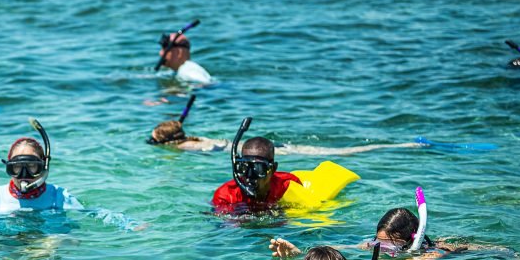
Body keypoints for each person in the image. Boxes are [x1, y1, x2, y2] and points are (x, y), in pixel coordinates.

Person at [269, 206, 513, 260]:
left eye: (388, 244)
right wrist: (302, 253)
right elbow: (341, 247)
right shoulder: (377, 244)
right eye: (378, 242)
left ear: (410, 241)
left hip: (480, 252)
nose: (380, 248)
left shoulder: (432, 253)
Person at [0, 120, 83, 213]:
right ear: (9, 168)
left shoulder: (59, 196)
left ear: (43, 167)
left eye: (32, 166)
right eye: (17, 167)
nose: (24, 174)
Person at [147, 119, 423, 156]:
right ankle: (402, 144)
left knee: (341, 152)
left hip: (262, 151)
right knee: (338, 151)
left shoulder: (185, 147)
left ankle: (405, 145)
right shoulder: (195, 137)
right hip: (266, 147)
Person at [212, 132, 303, 212]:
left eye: (258, 168)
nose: (250, 175)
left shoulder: (288, 184)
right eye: (245, 167)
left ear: (273, 169)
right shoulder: (226, 195)